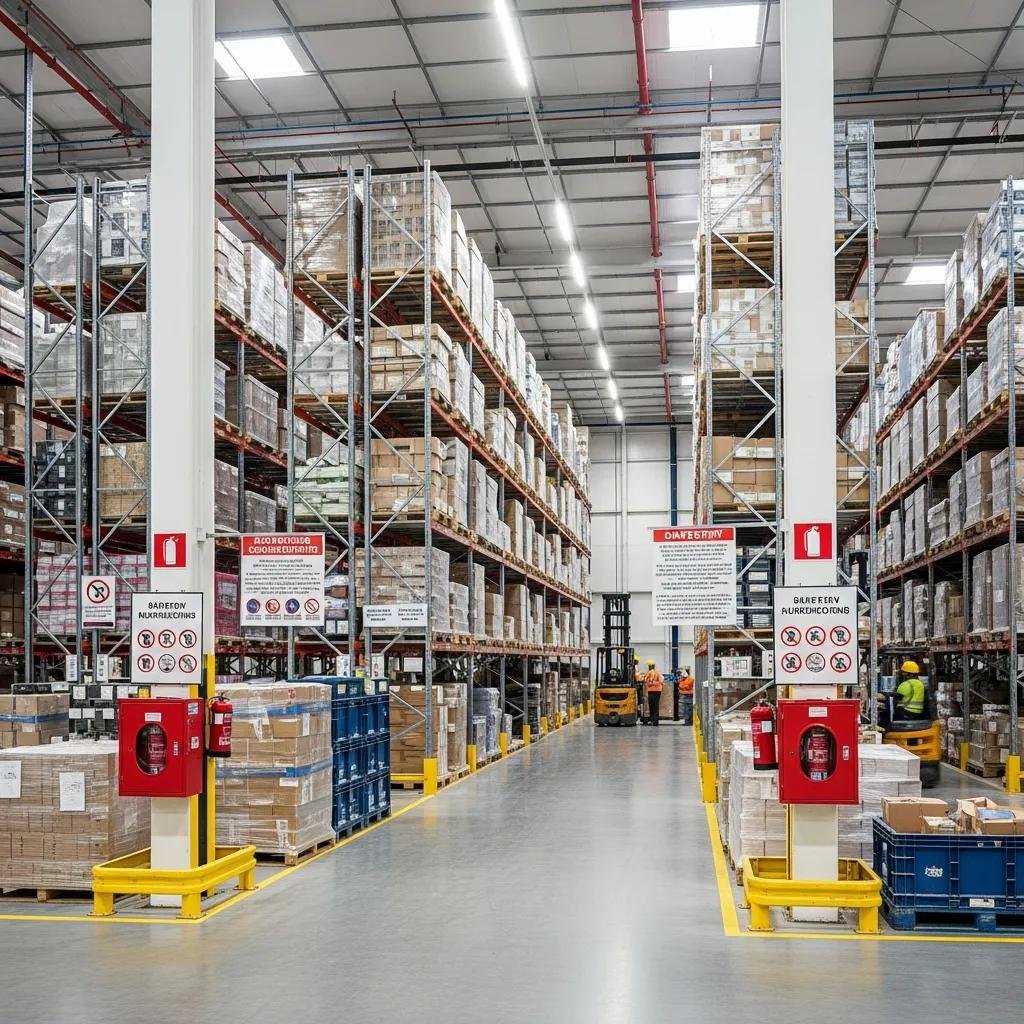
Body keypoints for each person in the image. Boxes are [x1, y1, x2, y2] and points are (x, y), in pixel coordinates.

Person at [879, 660, 928, 729]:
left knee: (887, 714)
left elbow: (896, 697)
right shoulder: (921, 684)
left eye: (903, 673)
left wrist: (886, 694)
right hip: (918, 713)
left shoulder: (906, 684)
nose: (902, 675)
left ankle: (885, 729)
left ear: (909, 674)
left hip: (906, 712)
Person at [644, 659, 664, 726]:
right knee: (653, 706)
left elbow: (661, 681)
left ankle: (655, 721)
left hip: (655, 691)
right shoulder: (650, 673)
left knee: (654, 706)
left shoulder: (656, 673)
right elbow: (646, 681)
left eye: (649, 666)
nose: (649, 667)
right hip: (653, 691)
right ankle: (653, 720)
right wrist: (651, 683)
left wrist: (652, 683)